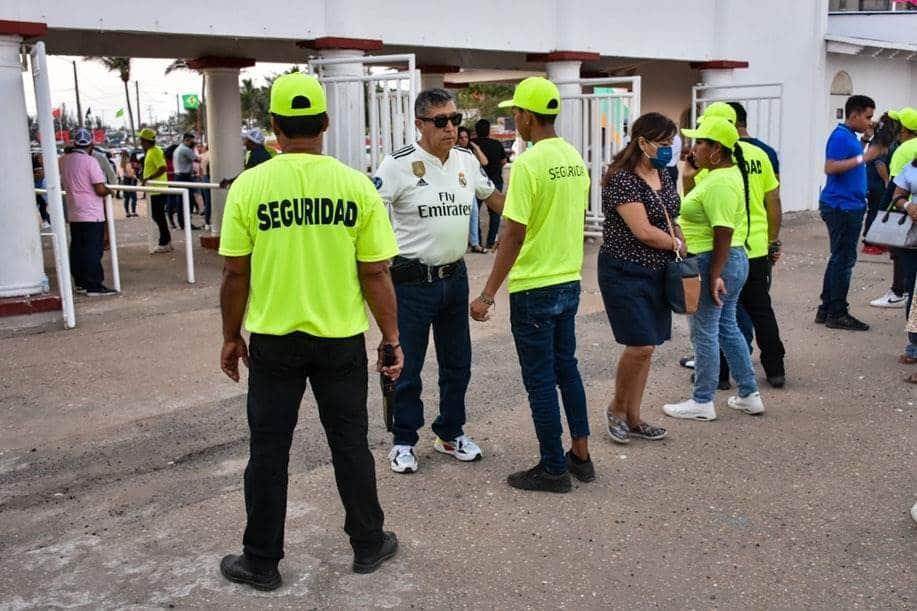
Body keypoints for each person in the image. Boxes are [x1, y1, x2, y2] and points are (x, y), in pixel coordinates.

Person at [218, 72, 403, 590]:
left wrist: (231, 336)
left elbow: (236, 272)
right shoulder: (354, 185)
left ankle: (261, 562)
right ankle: (368, 544)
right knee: (350, 444)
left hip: (273, 343)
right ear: (324, 123)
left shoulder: (250, 186)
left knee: (269, 452)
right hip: (339, 339)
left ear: (273, 126)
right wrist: (391, 338)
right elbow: (376, 272)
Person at [373, 89, 505, 475]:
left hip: (454, 278)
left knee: (457, 363)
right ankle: (403, 440)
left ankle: (450, 432)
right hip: (410, 282)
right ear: (419, 124)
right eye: (441, 121)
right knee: (407, 367)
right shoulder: (397, 165)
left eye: (455, 120)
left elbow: (493, 198)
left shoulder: (465, 160)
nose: (451, 128)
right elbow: (373, 213)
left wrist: (528, 215)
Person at [471, 77, 593, 493]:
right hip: (568, 280)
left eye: (516, 113)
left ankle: (552, 468)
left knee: (540, 380)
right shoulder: (574, 158)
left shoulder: (528, 163)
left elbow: (513, 233)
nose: (516, 120)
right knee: (567, 369)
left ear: (526, 116)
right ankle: (580, 453)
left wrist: (488, 293)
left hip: (535, 286)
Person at [662, 116, 765, 421]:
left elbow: (724, 231)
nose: (693, 149)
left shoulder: (721, 182)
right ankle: (749, 393)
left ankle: (702, 400)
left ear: (717, 149)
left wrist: (713, 274)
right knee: (726, 326)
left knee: (705, 331)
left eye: (700, 143)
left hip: (715, 260)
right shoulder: (720, 175)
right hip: (726, 260)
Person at [598, 112, 680, 444]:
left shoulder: (664, 173)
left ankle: (634, 417)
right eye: (662, 144)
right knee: (640, 344)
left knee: (649, 348)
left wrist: (679, 238)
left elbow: (671, 215)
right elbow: (644, 231)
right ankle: (616, 409)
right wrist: (676, 243)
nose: (668, 149)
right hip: (625, 271)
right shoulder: (621, 178)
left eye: (671, 143)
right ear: (642, 143)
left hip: (659, 270)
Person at [816, 95, 879, 331]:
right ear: (854, 115)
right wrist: (866, 156)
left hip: (847, 205)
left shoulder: (849, 137)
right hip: (842, 207)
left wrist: (864, 144)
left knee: (839, 259)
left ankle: (827, 309)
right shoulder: (840, 136)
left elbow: (850, 161)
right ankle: (837, 312)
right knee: (843, 260)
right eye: (867, 116)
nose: (869, 121)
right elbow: (831, 167)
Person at [58, 128, 116, 296]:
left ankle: (80, 283)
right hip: (92, 212)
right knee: (92, 249)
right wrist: (109, 191)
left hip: (74, 211)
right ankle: (94, 285)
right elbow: (99, 188)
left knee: (77, 248)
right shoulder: (91, 162)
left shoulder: (64, 160)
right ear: (91, 144)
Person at [869, 107, 917, 308]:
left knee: (900, 253)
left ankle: (900, 291)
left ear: (904, 129)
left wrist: (881, 215)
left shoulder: (904, 150)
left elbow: (894, 187)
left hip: (907, 213)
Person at [889, 156, 917, 378]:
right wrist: (908, 205)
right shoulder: (911, 168)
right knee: (913, 293)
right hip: (913, 240)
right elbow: (897, 196)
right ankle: (914, 345)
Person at [472, 119, 508, 249]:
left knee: (474, 213)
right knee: (495, 214)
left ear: (476, 131)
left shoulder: (472, 144)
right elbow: (504, 161)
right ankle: (491, 241)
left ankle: (477, 241)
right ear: (489, 130)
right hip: (495, 180)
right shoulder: (496, 144)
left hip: (476, 182)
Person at [138, 128, 173, 253]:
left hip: (157, 189)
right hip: (154, 189)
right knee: (158, 216)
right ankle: (166, 240)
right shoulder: (151, 151)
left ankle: (165, 241)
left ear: (146, 141)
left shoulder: (154, 152)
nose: (140, 142)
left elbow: (162, 168)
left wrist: (148, 178)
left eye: (141, 140)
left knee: (158, 216)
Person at [457, 125, 489, 253]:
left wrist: (476, 147)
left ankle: (475, 243)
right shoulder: (454, 153)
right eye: (461, 138)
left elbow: (484, 162)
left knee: (474, 214)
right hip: (457, 189)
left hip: (469, 189)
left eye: (466, 137)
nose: (463, 140)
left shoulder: (470, 153)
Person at [173, 132, 200, 215]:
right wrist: (194, 148)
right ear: (186, 140)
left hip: (178, 176)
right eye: (191, 141)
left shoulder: (178, 148)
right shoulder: (185, 149)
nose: (193, 143)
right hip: (184, 176)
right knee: (188, 200)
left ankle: (182, 223)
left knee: (181, 200)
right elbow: (197, 159)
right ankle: (186, 222)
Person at [32, 154, 51, 229]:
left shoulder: (41, 164)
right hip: (38, 187)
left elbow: (41, 175)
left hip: (40, 187)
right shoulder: (36, 163)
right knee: (42, 205)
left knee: (43, 205)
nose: (41, 158)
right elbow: (40, 175)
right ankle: (46, 220)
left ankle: (46, 220)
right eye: (40, 157)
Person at [119, 149, 138, 217]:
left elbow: (120, 174)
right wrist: (134, 176)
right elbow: (130, 172)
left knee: (126, 198)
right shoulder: (128, 161)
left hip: (125, 180)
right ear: (127, 154)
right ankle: (133, 212)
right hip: (131, 180)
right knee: (134, 197)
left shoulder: (121, 162)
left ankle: (127, 213)